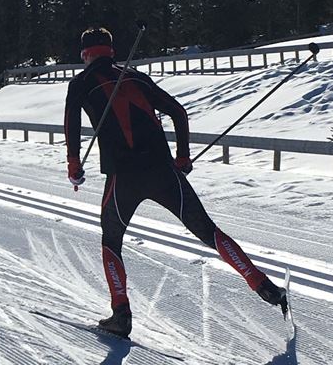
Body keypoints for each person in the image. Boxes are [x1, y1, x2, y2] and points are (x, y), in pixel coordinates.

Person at [63, 27, 288, 338]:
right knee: (209, 231)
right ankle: (261, 284)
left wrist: (74, 165)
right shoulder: (137, 77)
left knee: (111, 242)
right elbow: (178, 113)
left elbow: (72, 124)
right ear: (111, 51)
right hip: (163, 171)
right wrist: (183, 157)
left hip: (123, 176)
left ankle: (121, 314)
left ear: (85, 55)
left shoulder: (80, 83)